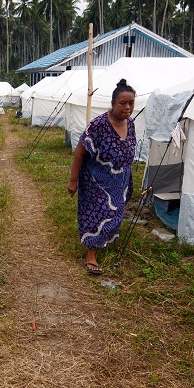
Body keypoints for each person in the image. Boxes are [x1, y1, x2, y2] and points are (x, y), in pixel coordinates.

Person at [67, 79, 137, 275]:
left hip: (120, 180)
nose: (128, 107)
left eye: (131, 103)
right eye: (123, 103)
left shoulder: (130, 124)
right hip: (96, 180)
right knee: (97, 214)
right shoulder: (98, 125)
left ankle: (106, 239)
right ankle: (91, 254)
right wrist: (73, 181)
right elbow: (80, 152)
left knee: (115, 212)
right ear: (113, 103)